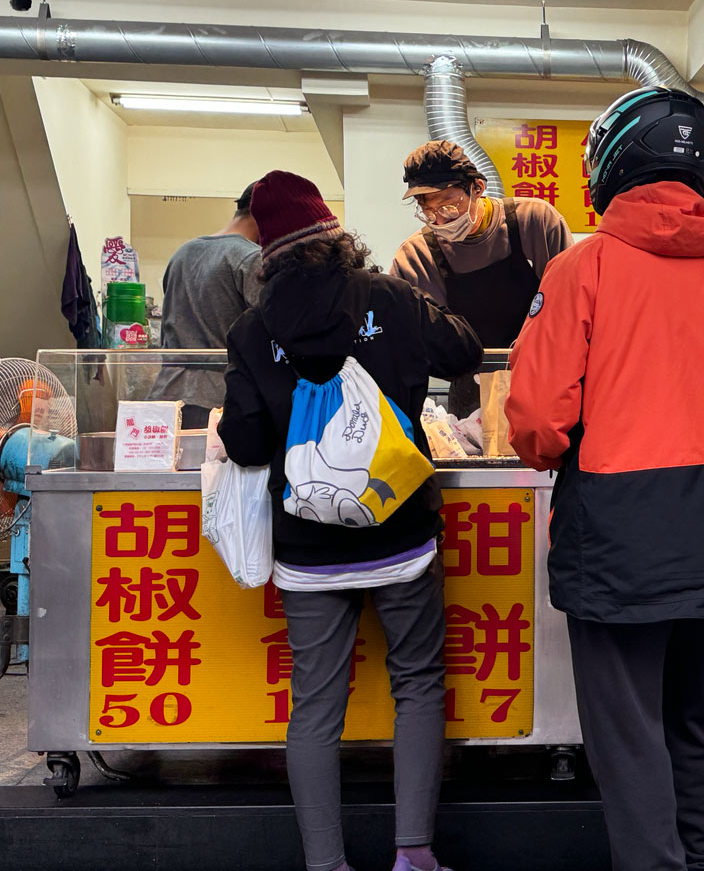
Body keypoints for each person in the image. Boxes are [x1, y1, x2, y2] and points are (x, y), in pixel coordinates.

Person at [505, 87, 704, 871]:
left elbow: (534, 419)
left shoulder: (581, 268)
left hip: (620, 531)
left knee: (627, 732)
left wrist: (560, 447)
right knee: (697, 714)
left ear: (613, 163)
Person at [218, 171, 483, 871]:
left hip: (306, 547)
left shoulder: (251, 330)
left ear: (268, 250)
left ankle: (326, 863)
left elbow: (245, 444)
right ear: (334, 234)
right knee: (419, 681)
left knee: (314, 704)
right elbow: (465, 353)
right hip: (400, 535)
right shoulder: (391, 298)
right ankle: (414, 853)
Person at [390, 140, 572, 414]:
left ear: (477, 188)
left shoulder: (535, 222)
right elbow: (407, 340)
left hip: (545, 385)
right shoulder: (416, 257)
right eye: (428, 212)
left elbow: (571, 310)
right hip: (469, 403)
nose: (439, 221)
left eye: (448, 207)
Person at [152, 179, 265, 426]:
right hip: (219, 401)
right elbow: (265, 337)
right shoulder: (250, 258)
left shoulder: (182, 253)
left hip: (165, 395)